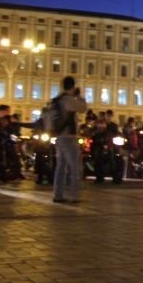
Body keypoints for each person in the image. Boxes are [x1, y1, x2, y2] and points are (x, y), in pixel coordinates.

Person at [52, 76, 87, 204]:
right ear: (72, 86)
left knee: (60, 167)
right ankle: (74, 195)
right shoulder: (68, 100)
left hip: (58, 137)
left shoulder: (56, 100)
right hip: (69, 137)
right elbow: (83, 108)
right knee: (75, 167)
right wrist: (79, 96)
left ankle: (58, 195)